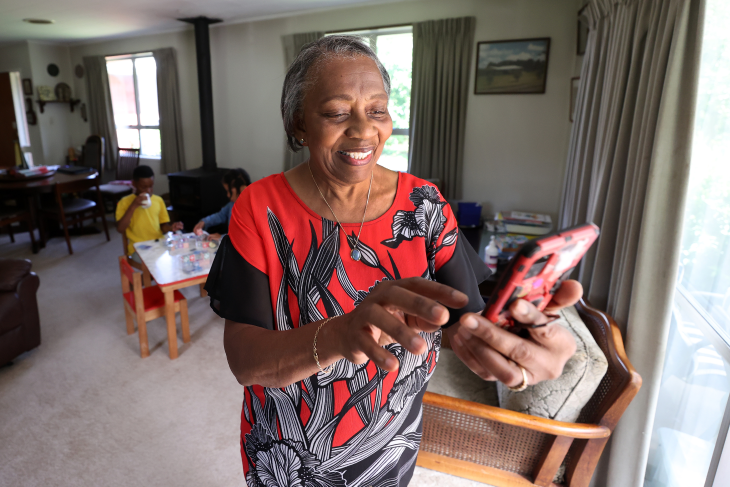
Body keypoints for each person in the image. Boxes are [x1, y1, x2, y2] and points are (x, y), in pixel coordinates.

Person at [205, 36, 580, 487]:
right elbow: (247, 362)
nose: (364, 130)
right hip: (287, 451)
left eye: (377, 110)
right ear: (297, 123)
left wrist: (516, 347)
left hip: (389, 440)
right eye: (337, 112)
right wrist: (342, 333)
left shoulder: (424, 203)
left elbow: (468, 319)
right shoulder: (259, 207)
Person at [116, 165, 183, 260]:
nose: (148, 191)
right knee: (152, 262)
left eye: (151, 186)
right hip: (138, 248)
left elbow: (163, 226)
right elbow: (120, 229)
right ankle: (149, 275)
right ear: (134, 184)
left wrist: (171, 227)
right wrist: (133, 206)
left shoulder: (158, 200)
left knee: (179, 254)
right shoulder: (125, 202)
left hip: (159, 243)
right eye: (144, 187)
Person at [192, 168, 251, 239]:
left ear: (242, 189)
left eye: (229, 191)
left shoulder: (251, 209)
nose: (228, 195)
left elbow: (242, 238)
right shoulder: (232, 204)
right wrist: (204, 222)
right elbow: (220, 215)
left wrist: (221, 237)